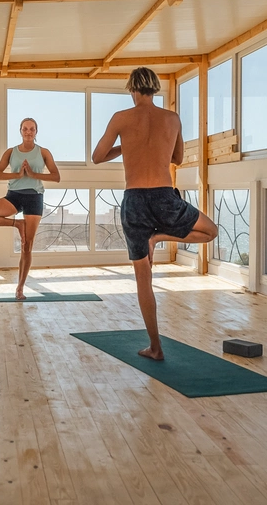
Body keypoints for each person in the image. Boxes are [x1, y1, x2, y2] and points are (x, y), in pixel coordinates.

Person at [92, 67, 218, 360]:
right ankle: (159, 236)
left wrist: (127, 145)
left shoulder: (121, 118)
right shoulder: (172, 118)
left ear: (133, 90)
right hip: (164, 196)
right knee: (210, 231)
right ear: (155, 89)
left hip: (134, 200)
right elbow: (178, 158)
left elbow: (97, 156)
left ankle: (155, 346)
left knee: (143, 279)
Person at [0, 118, 60, 299]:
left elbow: (56, 176)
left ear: (36, 131)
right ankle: (16, 224)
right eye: (25, 129)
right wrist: (18, 174)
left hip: (34, 197)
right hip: (14, 196)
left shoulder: (43, 152)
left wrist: (34, 174)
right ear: (20, 131)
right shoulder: (11, 152)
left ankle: (20, 288)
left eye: (32, 129)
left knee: (27, 246)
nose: (29, 132)